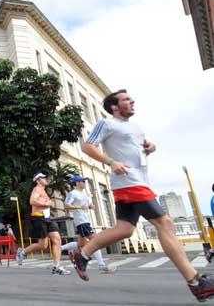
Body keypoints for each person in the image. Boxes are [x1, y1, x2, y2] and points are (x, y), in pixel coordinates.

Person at [70, 89, 214, 302]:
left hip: (138, 180)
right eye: (126, 99)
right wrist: (111, 162)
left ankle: (81, 255)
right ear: (114, 107)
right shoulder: (107, 124)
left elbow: (136, 148)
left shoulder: (135, 127)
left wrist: (149, 147)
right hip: (129, 181)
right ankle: (195, 282)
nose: (132, 101)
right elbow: (87, 146)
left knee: (125, 229)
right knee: (165, 223)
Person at [17, 172, 71, 275]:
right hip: (39, 218)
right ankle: (23, 252)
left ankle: (56, 267)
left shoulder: (43, 191)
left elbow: (46, 203)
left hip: (47, 218)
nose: (46, 179)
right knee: (43, 245)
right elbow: (32, 201)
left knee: (57, 239)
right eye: (43, 178)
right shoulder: (37, 189)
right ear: (38, 180)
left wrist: (51, 204)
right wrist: (47, 203)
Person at [61, 175, 115, 274]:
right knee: (95, 240)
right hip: (81, 221)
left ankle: (59, 248)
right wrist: (79, 207)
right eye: (82, 181)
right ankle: (101, 265)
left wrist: (91, 206)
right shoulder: (73, 193)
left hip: (86, 220)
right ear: (77, 183)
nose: (84, 183)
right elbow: (66, 206)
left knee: (81, 244)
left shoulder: (85, 194)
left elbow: (89, 205)